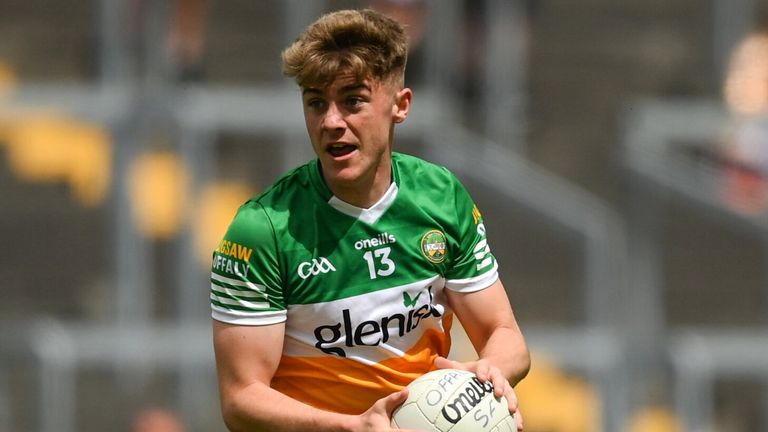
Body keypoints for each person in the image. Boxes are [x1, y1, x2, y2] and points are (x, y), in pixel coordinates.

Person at [210, 8, 530, 431]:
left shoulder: (440, 197)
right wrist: (352, 426)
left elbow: (504, 333)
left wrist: (490, 371)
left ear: (400, 106)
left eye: (352, 101)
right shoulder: (263, 230)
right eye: (316, 102)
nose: (331, 122)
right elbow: (241, 400)